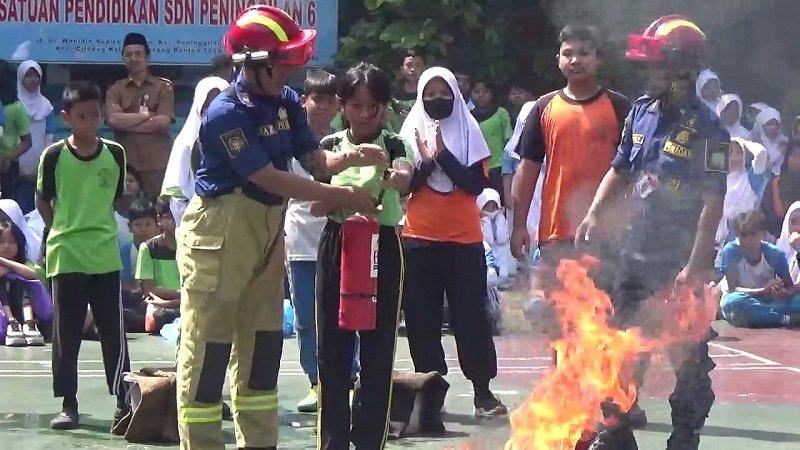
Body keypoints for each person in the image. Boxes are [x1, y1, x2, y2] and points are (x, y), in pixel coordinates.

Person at [176, 6, 383, 449]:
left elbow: (315, 162)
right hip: (221, 228)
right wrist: (339, 197)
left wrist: (351, 158)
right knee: (208, 351)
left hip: (268, 230)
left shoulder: (286, 102)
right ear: (253, 63)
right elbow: (266, 176)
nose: (291, 69)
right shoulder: (225, 113)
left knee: (263, 346)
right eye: (282, 62)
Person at [576, 16, 725, 450]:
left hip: (679, 262)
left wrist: (696, 266)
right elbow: (621, 168)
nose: (647, 74)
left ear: (683, 70)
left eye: (655, 66)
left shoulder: (711, 130)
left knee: (690, 361)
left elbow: (713, 201)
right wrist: (593, 214)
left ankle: (684, 438)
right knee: (618, 350)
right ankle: (617, 434)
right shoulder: (640, 112)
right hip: (636, 255)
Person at [309, 61, 412, 450]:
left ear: (385, 107)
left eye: (374, 107)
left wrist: (392, 177)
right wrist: (347, 197)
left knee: (379, 348)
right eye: (356, 106)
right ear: (342, 105)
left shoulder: (395, 143)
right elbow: (317, 205)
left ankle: (370, 441)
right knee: (332, 350)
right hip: (337, 242)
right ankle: (333, 441)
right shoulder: (330, 148)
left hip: (382, 245)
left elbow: (404, 175)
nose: (366, 114)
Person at [399, 66, 507, 417]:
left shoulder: (470, 128)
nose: (437, 100)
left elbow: (476, 185)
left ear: (456, 95)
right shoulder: (409, 129)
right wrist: (427, 162)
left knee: (470, 318)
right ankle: (430, 392)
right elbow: (405, 186)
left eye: (444, 93)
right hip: (419, 239)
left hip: (463, 240)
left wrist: (444, 155)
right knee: (422, 319)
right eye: (429, 94)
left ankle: (483, 392)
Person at [36, 81, 130, 430]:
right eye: (82, 116)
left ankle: (123, 399)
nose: (90, 123)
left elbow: (120, 199)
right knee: (67, 332)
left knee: (113, 331)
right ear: (67, 117)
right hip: (67, 254)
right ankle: (68, 402)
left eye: (95, 115)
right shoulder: (54, 155)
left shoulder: (116, 153)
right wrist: (62, 228)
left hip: (104, 254)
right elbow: (43, 201)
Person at [510, 24, 629, 294]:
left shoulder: (620, 107)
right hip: (556, 232)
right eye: (568, 53)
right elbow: (527, 170)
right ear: (558, 60)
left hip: (606, 234)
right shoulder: (543, 107)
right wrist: (518, 226)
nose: (575, 60)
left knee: (605, 322)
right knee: (559, 321)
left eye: (584, 53)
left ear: (599, 58)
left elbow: (633, 169)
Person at [285, 68, 340, 413]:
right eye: (317, 98)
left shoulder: (343, 142)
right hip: (299, 241)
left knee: (340, 315)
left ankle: (347, 379)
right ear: (304, 101)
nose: (322, 106)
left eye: (330, 99)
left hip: (336, 238)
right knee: (306, 318)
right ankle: (315, 382)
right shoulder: (288, 143)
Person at [105, 33, 175, 199]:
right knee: (125, 214)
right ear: (123, 58)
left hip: (156, 164)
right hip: (125, 164)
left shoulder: (163, 87)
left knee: (158, 211)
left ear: (148, 57)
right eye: (128, 55)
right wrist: (145, 116)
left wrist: (127, 122)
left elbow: (163, 122)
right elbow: (113, 120)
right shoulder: (116, 89)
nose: (133, 58)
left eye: (138, 54)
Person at [161, 76, 229, 225]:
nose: (213, 109)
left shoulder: (236, 139)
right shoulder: (186, 142)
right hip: (196, 221)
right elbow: (178, 194)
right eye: (208, 103)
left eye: (218, 102)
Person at [718, 210, 800, 328]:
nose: (748, 241)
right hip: (743, 299)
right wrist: (762, 290)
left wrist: (782, 292)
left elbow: (789, 286)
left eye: (753, 235)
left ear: (763, 234)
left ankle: (763, 315)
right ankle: (783, 319)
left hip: (768, 301)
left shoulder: (774, 254)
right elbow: (732, 289)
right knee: (733, 302)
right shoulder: (731, 251)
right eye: (743, 236)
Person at [136, 197, 180, 333]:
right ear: (159, 219)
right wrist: (180, 295)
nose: (174, 221)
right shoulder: (149, 248)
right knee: (159, 313)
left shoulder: (190, 248)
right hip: (160, 302)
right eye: (168, 217)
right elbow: (149, 290)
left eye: (177, 215)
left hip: (187, 300)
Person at [15, 60, 55, 214]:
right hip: (15, 165)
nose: (33, 80)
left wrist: (42, 166)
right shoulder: (14, 105)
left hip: (39, 166)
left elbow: (49, 137)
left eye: (36, 75)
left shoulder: (46, 105)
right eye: (28, 76)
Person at [0, 219, 46, 346]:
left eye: (11, 242)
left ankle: (29, 323)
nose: (6, 246)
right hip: (3, 313)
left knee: (21, 283)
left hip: (20, 307)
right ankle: (11, 323)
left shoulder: (23, 262)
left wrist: (6, 264)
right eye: (2, 242)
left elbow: (32, 274)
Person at [715, 138, 769, 245]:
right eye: (729, 153)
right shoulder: (716, 181)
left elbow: (761, 152)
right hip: (717, 243)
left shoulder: (751, 179)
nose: (734, 158)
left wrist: (743, 142)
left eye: (739, 153)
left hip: (745, 241)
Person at [471, 80, 512, 202]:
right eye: (476, 92)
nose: (481, 95)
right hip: (477, 168)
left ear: (492, 94)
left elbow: (509, 140)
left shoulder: (501, 113)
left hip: (498, 166)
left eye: (485, 92)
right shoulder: (468, 116)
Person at [0, 60, 32, 202]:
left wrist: (7, 157)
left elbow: (27, 142)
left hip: (6, 166)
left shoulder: (15, 107)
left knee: (6, 206)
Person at [760, 139, 800, 238]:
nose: (798, 160)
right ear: (787, 158)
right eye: (795, 156)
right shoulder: (775, 184)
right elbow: (764, 215)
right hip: (776, 241)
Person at [477, 188, 512, 279]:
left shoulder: (500, 218)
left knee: (503, 253)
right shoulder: (479, 221)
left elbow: (503, 238)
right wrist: (486, 221)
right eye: (487, 207)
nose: (491, 210)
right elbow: (488, 239)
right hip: (487, 249)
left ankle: (503, 277)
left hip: (500, 248)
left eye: (494, 207)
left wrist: (499, 219)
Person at [752, 106, 788, 175]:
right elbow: (762, 167)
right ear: (762, 126)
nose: (774, 127)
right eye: (770, 124)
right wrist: (779, 152)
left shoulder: (785, 141)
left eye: (776, 124)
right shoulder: (757, 142)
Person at [394, 50, 424, 122]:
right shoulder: (393, 90)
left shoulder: (426, 91)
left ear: (423, 69)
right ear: (402, 69)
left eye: (417, 66)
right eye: (409, 65)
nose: (413, 69)